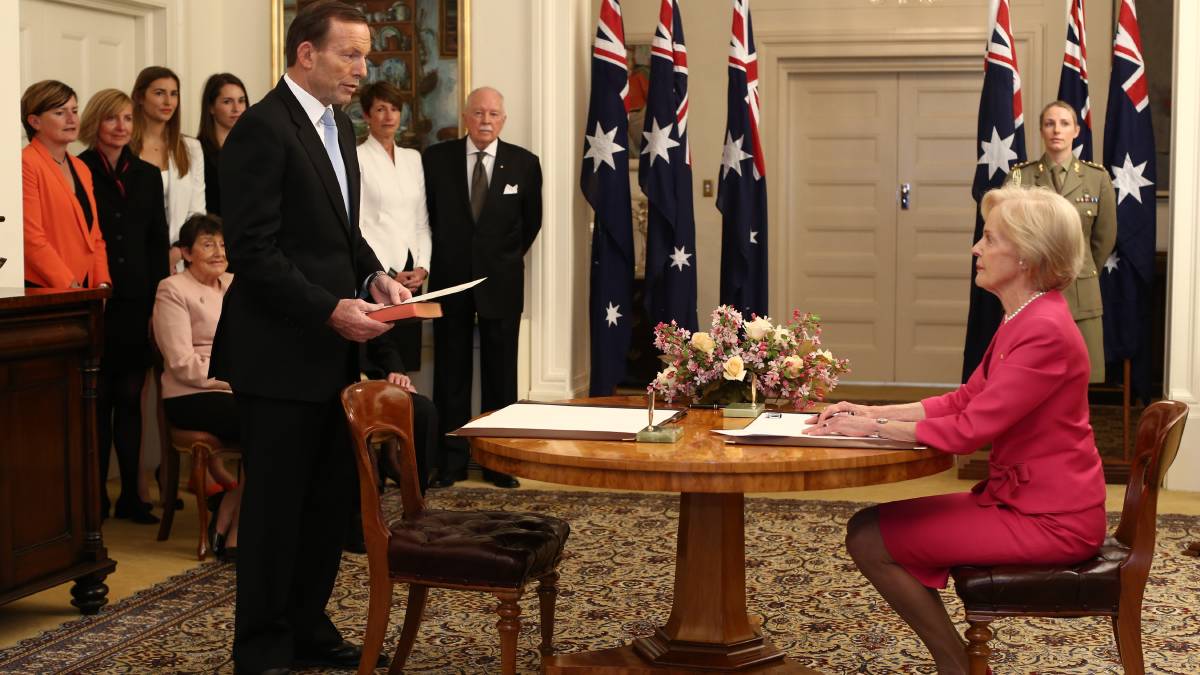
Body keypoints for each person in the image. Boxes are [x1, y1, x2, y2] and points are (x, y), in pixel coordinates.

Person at [808, 184, 1106, 674]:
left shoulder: (1045, 329)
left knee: (869, 537)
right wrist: (869, 410)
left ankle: (958, 667)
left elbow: (969, 429)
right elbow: (965, 399)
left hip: (1052, 520)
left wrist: (870, 428)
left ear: (1027, 257)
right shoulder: (1025, 317)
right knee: (868, 530)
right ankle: (961, 665)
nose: (976, 248)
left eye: (989, 240)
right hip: (1021, 501)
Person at [208, 2, 409, 672]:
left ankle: (306, 625)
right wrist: (330, 308)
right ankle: (261, 645)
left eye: (365, 55)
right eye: (350, 54)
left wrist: (374, 276)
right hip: (279, 355)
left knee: (327, 503)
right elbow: (256, 252)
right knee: (275, 510)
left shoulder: (337, 123)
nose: (363, 68)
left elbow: (338, 235)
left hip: (332, 354)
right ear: (305, 54)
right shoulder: (262, 130)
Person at [422, 86, 542, 489]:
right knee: (450, 375)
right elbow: (430, 219)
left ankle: (497, 461)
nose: (486, 120)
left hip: (501, 284)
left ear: (503, 119)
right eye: (478, 113)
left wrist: (499, 260)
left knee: (500, 377)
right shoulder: (436, 160)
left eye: (493, 113)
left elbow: (531, 223)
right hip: (450, 284)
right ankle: (451, 462)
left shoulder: (524, 164)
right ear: (466, 117)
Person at [78, 88, 171, 523]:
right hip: (95, 300)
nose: (120, 127)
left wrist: (158, 302)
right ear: (95, 123)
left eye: (127, 119)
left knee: (131, 398)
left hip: (137, 301)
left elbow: (156, 242)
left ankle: (132, 497)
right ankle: (95, 496)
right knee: (97, 402)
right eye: (111, 119)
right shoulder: (77, 169)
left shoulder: (148, 175)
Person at [152, 214, 241, 561]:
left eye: (221, 244)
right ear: (187, 253)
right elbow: (180, 362)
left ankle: (233, 505)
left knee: (281, 419)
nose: (219, 252)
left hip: (236, 389)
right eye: (208, 244)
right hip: (191, 394)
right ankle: (235, 525)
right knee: (267, 423)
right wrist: (236, 379)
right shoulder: (172, 289)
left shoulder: (236, 283)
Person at [1008, 100, 1116, 382]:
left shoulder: (1097, 178)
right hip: (1032, 288)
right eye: (1049, 123)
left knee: (1080, 378)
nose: (1057, 130)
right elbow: (1010, 234)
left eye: (1064, 123)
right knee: (1031, 376)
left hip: (1081, 290)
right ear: (1042, 131)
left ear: (1076, 131)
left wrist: (1078, 267)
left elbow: (1104, 239)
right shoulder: (1021, 177)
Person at [356, 80, 430, 372]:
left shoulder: (413, 159)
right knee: (381, 365)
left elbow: (421, 221)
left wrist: (423, 267)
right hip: (378, 273)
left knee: (407, 364)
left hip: (412, 272)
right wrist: (382, 274)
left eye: (395, 109)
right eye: (380, 109)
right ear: (366, 115)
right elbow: (357, 223)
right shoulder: (358, 157)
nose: (389, 116)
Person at [21, 80, 111, 290]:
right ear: (35, 121)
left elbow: (94, 235)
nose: (72, 119)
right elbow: (31, 237)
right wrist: (69, 285)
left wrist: (102, 284)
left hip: (86, 289)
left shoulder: (81, 167)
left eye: (75, 110)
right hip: (48, 288)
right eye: (60, 112)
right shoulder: (26, 163)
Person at [131, 66, 205, 266]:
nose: (168, 102)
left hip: (178, 258)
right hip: (135, 254)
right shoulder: (125, 147)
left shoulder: (191, 148)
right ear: (139, 97)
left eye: (174, 94)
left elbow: (196, 212)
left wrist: (179, 250)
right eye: (159, 93)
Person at [197, 73, 249, 217]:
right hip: (216, 232)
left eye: (241, 101)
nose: (236, 108)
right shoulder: (197, 150)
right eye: (227, 102)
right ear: (211, 107)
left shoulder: (255, 148)